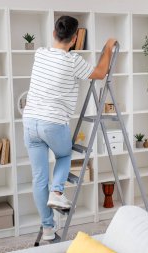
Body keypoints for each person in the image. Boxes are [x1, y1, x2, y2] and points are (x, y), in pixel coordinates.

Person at [22, 15, 116, 241]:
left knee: (39, 178)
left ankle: (47, 229)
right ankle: (57, 192)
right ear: (75, 39)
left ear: (54, 33)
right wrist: (108, 48)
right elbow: (100, 73)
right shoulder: (73, 60)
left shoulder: (40, 53)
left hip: (29, 122)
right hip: (53, 122)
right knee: (64, 156)